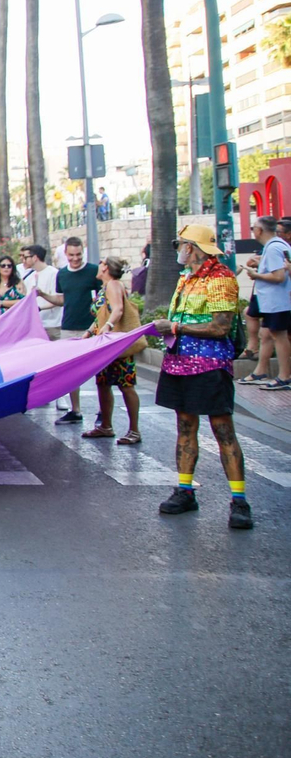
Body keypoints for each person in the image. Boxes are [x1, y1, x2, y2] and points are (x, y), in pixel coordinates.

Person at [151, 225, 252, 530]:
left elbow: (221, 327)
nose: (177, 249)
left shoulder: (221, 277)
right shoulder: (186, 277)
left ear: (192, 247)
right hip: (178, 364)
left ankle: (239, 501)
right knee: (185, 427)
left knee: (223, 430)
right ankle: (185, 491)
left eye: (179, 243)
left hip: (210, 367)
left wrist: (175, 328)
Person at [80, 257, 142, 445]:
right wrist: (89, 332)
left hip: (116, 343)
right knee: (103, 383)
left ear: (106, 267)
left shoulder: (113, 285)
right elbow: (102, 315)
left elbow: (118, 309)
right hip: (105, 343)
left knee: (126, 385)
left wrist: (107, 327)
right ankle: (105, 426)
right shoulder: (105, 287)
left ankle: (134, 430)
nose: (98, 266)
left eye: (101, 263)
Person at [242, 215, 291, 390]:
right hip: (276, 301)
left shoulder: (273, 248)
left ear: (260, 230)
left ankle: (284, 376)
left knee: (280, 336)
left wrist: (256, 275)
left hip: (278, 301)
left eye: (253, 228)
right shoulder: (276, 246)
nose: (253, 231)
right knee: (272, 335)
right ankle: (276, 374)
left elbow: (278, 276)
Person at [56, 237, 100, 424]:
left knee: (99, 369)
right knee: (71, 371)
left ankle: (103, 410)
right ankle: (75, 410)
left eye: (79, 255)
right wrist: (41, 297)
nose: (75, 259)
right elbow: (62, 299)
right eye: (71, 255)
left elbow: (102, 298)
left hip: (90, 326)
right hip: (68, 326)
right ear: (65, 254)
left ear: (83, 252)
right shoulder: (62, 274)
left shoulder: (94, 271)